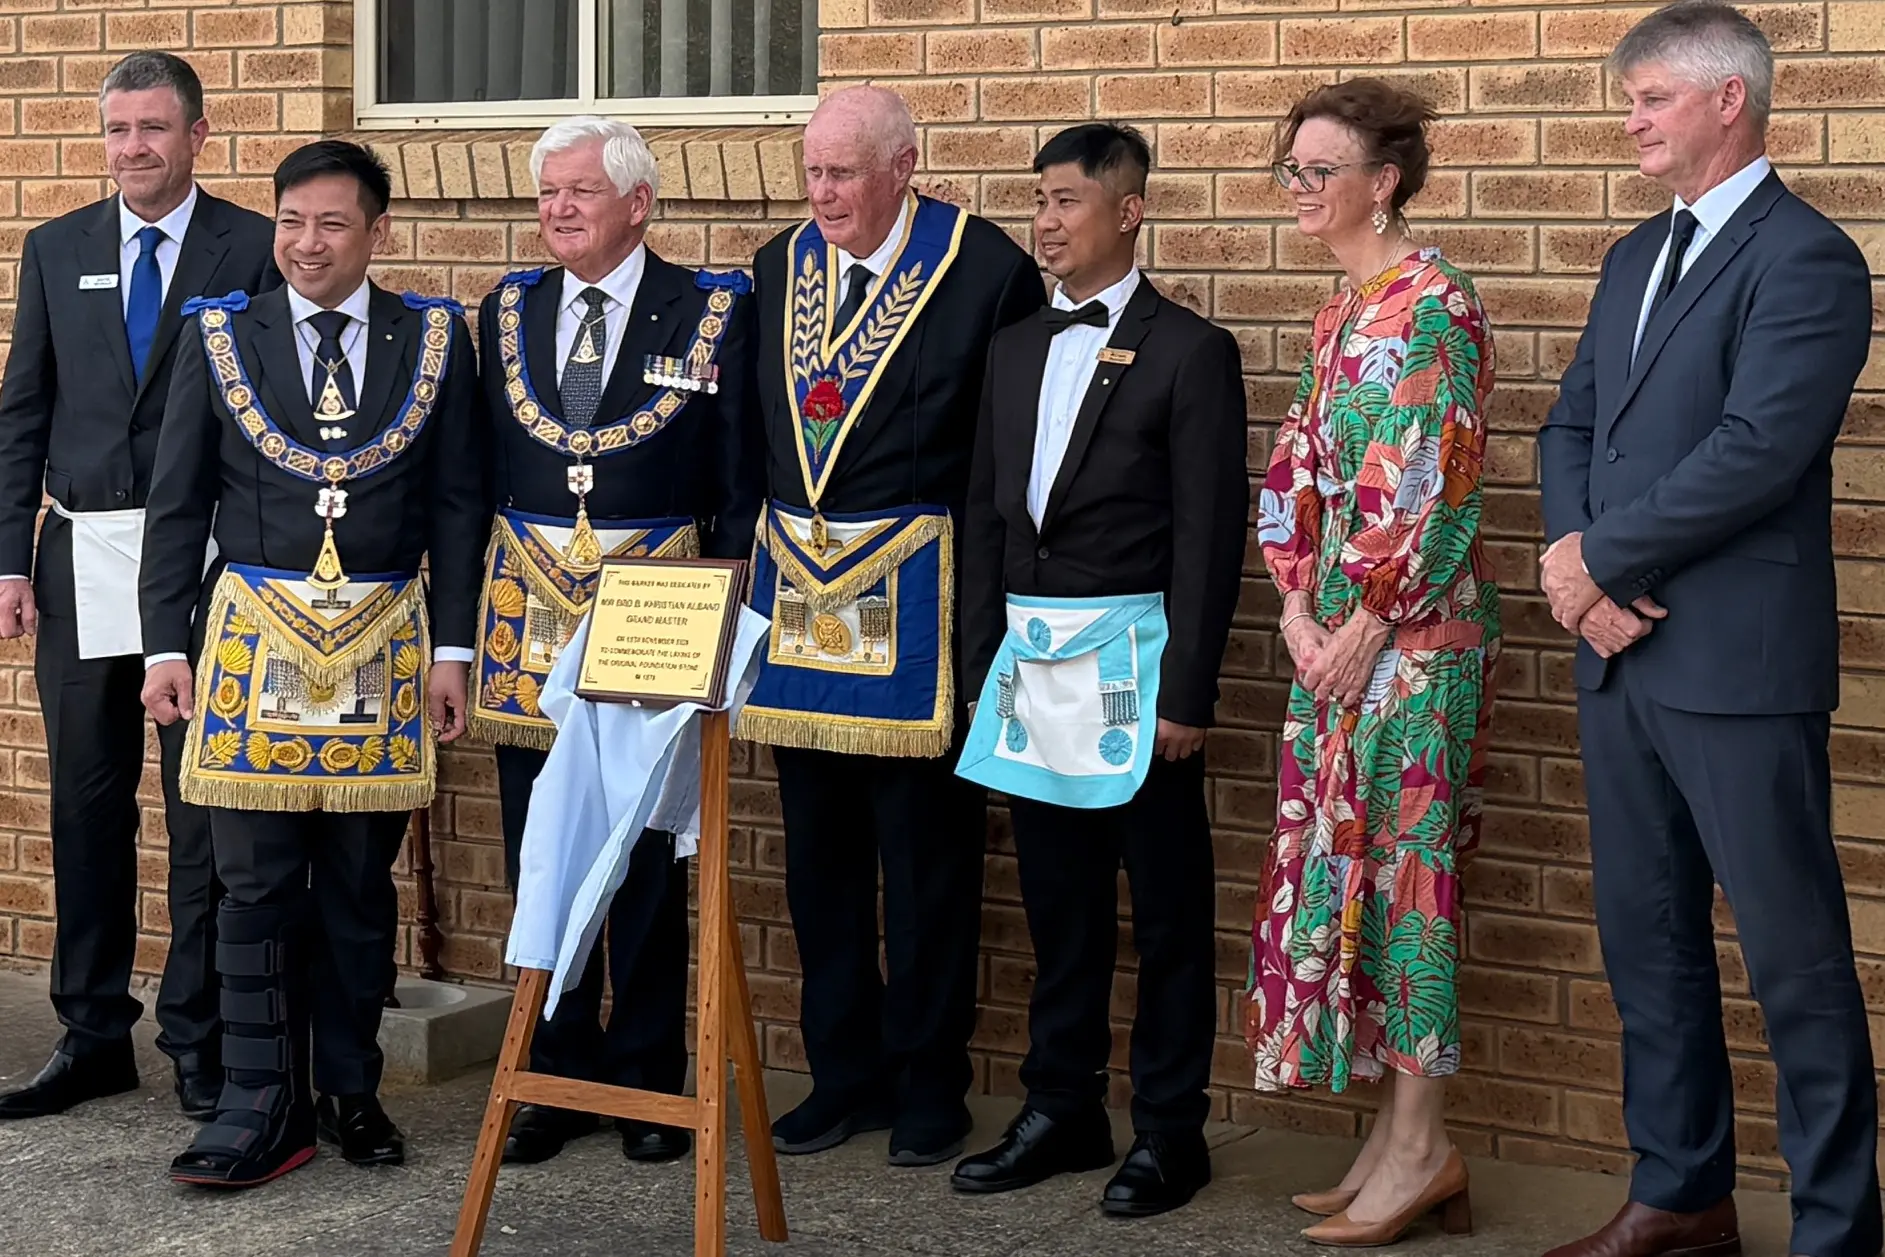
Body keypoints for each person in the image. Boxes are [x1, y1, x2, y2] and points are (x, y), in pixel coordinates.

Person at [1536, 5, 1880, 1255]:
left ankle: (1836, 1231)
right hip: (1618, 652)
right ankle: (1681, 1195)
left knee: (1793, 960)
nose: (1630, 119)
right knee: (1648, 938)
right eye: (1629, 99)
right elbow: (1574, 424)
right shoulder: (1634, 253)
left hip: (1736, 661)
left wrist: (1599, 561)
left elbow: (1757, 449)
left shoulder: (1808, 259)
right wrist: (1578, 570)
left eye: (1651, 98)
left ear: (1729, 99)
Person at [138, 140, 486, 1188]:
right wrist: (164, 644)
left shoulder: (433, 338)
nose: (306, 243)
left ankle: (349, 1090)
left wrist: (455, 650)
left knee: (357, 886)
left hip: (383, 650)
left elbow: (456, 504)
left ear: (378, 232)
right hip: (250, 652)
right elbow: (177, 503)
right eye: (291, 221)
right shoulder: (219, 333)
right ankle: (256, 1100)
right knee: (249, 886)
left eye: (332, 224)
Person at [739, 84, 1046, 1167]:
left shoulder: (985, 269)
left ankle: (929, 1085)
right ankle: (842, 1076)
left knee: (926, 868)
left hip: (923, 615)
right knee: (817, 862)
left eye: (844, 173)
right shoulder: (777, 267)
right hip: (797, 607)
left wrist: (988, 627)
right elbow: (749, 437)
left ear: (904, 167)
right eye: (812, 172)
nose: (822, 194)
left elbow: (1002, 462)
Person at [951, 123, 1246, 1218]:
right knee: (1057, 904)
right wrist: (979, 668)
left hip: (1136, 673)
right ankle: (1061, 1106)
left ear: (1128, 211)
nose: (1045, 221)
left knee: (1164, 913)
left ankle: (1170, 1129)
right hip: (1031, 673)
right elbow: (988, 519)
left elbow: (1208, 536)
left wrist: (1188, 694)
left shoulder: (1190, 352)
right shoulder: (1014, 347)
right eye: (1038, 200)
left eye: (1066, 200)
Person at [472, 116, 759, 1167]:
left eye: (581, 191)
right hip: (530, 614)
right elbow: (480, 468)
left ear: (638, 203)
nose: (558, 209)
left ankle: (644, 1080)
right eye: (548, 192)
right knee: (544, 845)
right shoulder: (508, 308)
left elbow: (739, 470)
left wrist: (727, 604)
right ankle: (555, 1075)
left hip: (655, 614)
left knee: (640, 848)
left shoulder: (714, 307)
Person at [1245, 79, 1501, 1248]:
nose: (1298, 190)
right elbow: (1296, 468)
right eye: (1290, 170)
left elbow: (1437, 486)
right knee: (1347, 881)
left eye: (1318, 171)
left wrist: (1363, 629)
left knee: (1408, 896)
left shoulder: (1435, 306)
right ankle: (1392, 1139)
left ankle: (1421, 1148)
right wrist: (1299, 609)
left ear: (1381, 182)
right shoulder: (1341, 311)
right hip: (1337, 653)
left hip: (1411, 656)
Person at [0, 52, 279, 1124]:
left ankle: (198, 1038)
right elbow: (23, 409)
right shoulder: (56, 246)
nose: (133, 149)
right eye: (117, 129)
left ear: (198, 134)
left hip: (200, 568)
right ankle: (91, 1033)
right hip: (78, 560)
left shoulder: (252, 245)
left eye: (154, 128)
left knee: (202, 814)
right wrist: (9, 559)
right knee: (85, 805)